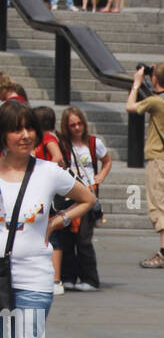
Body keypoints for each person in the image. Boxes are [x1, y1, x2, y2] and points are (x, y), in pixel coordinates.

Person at [0, 100, 95, 338]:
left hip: (34, 281)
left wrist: (57, 221)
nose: (25, 135)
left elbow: (88, 198)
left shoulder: (48, 172)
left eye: (30, 128)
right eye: (16, 128)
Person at [125, 62, 164, 269]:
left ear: (154, 79)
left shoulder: (156, 102)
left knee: (160, 205)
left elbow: (130, 106)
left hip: (158, 158)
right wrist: (156, 75)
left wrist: (136, 83)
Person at [58, 106, 111, 292]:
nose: (77, 127)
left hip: (88, 194)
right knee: (66, 239)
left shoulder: (94, 143)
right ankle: (69, 277)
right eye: (72, 125)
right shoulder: (62, 145)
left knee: (83, 239)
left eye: (79, 123)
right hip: (68, 195)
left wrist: (101, 177)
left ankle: (90, 279)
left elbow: (107, 160)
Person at [32, 106, 66, 295]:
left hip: (46, 194)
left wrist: (43, 173)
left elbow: (57, 157)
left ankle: (56, 280)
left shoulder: (47, 137)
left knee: (51, 236)